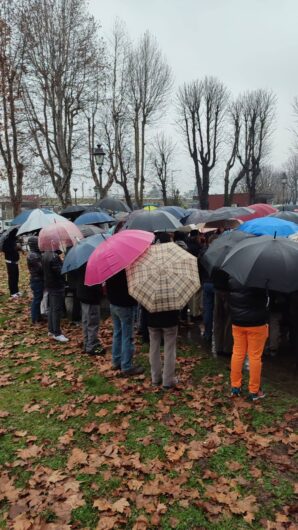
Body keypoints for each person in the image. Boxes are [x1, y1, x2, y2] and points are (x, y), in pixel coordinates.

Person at [229, 277, 269, 401]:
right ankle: (254, 390)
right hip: (257, 324)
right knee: (255, 356)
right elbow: (265, 301)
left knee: (237, 354)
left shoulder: (233, 278)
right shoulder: (261, 280)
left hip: (238, 322)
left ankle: (235, 387)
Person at [106, 269, 143, 376]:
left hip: (113, 303)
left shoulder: (109, 265)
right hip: (125, 305)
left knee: (118, 333)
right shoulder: (127, 268)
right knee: (127, 336)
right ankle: (127, 366)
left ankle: (116, 361)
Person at [75, 264, 105, 356]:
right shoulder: (92, 265)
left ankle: (87, 342)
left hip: (82, 294)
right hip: (90, 297)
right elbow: (94, 284)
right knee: (92, 322)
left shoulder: (81, 262)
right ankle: (91, 345)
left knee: (85, 321)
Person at [42, 250, 69, 343]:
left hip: (50, 285)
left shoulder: (45, 254)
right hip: (56, 286)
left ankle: (51, 329)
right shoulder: (54, 257)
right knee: (56, 309)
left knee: (51, 308)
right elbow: (60, 272)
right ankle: (57, 333)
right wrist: (63, 264)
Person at [212, 269, 233, 356]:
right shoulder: (234, 259)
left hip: (218, 289)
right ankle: (227, 348)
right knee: (229, 321)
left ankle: (218, 347)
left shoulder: (217, 259)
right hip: (229, 290)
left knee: (218, 319)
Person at [27, 236, 44, 324]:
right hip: (37, 280)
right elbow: (40, 269)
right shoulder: (33, 255)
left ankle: (38, 316)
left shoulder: (36, 253)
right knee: (37, 300)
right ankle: (35, 319)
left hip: (38, 279)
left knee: (39, 298)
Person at [2, 231, 21, 298]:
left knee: (16, 276)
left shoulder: (14, 240)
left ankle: (16, 290)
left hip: (15, 261)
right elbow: (5, 249)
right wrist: (14, 248)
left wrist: (18, 248)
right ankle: (12, 292)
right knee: (12, 277)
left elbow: (16, 249)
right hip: (10, 261)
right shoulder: (7, 241)